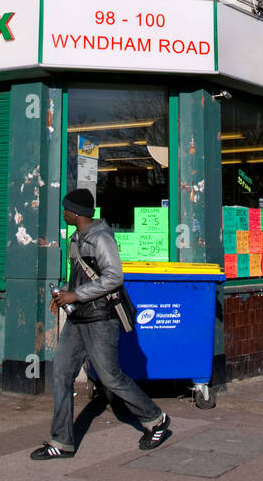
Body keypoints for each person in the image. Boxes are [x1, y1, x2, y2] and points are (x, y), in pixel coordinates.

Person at [30, 188, 172, 459]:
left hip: (100, 319)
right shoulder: (76, 238)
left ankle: (156, 419)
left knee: (110, 377)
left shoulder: (101, 238)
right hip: (78, 318)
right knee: (60, 373)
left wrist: (77, 294)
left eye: (65, 209)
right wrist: (64, 294)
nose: (63, 213)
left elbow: (114, 277)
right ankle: (62, 442)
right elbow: (80, 279)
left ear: (76, 213)